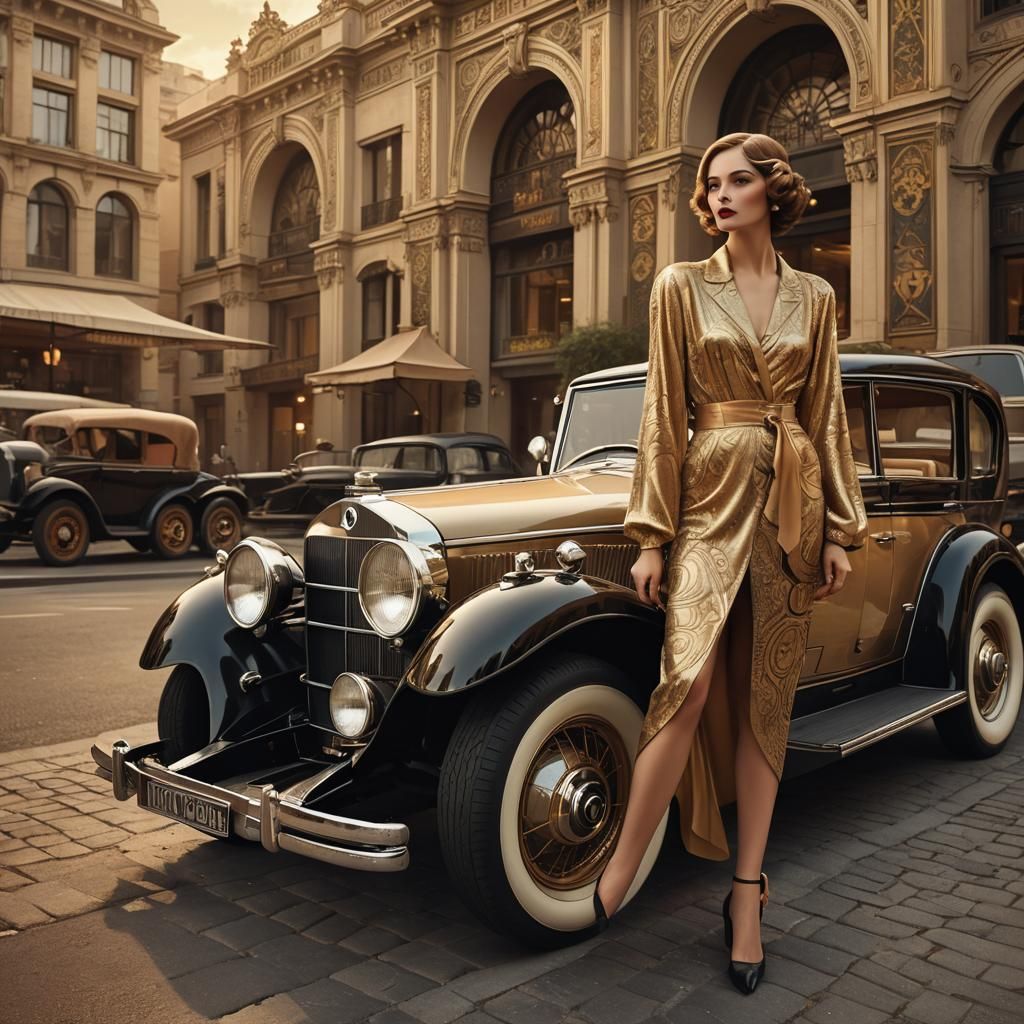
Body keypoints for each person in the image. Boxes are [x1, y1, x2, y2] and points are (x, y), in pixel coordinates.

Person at [591, 132, 868, 995]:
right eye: (711, 183)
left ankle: (747, 895)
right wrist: (651, 536)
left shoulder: (816, 295)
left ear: (771, 191)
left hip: (793, 505)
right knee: (687, 683)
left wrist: (838, 530)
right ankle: (622, 864)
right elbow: (661, 410)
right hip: (708, 500)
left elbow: (825, 412)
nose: (718, 194)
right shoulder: (680, 285)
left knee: (765, 700)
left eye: (737, 180)